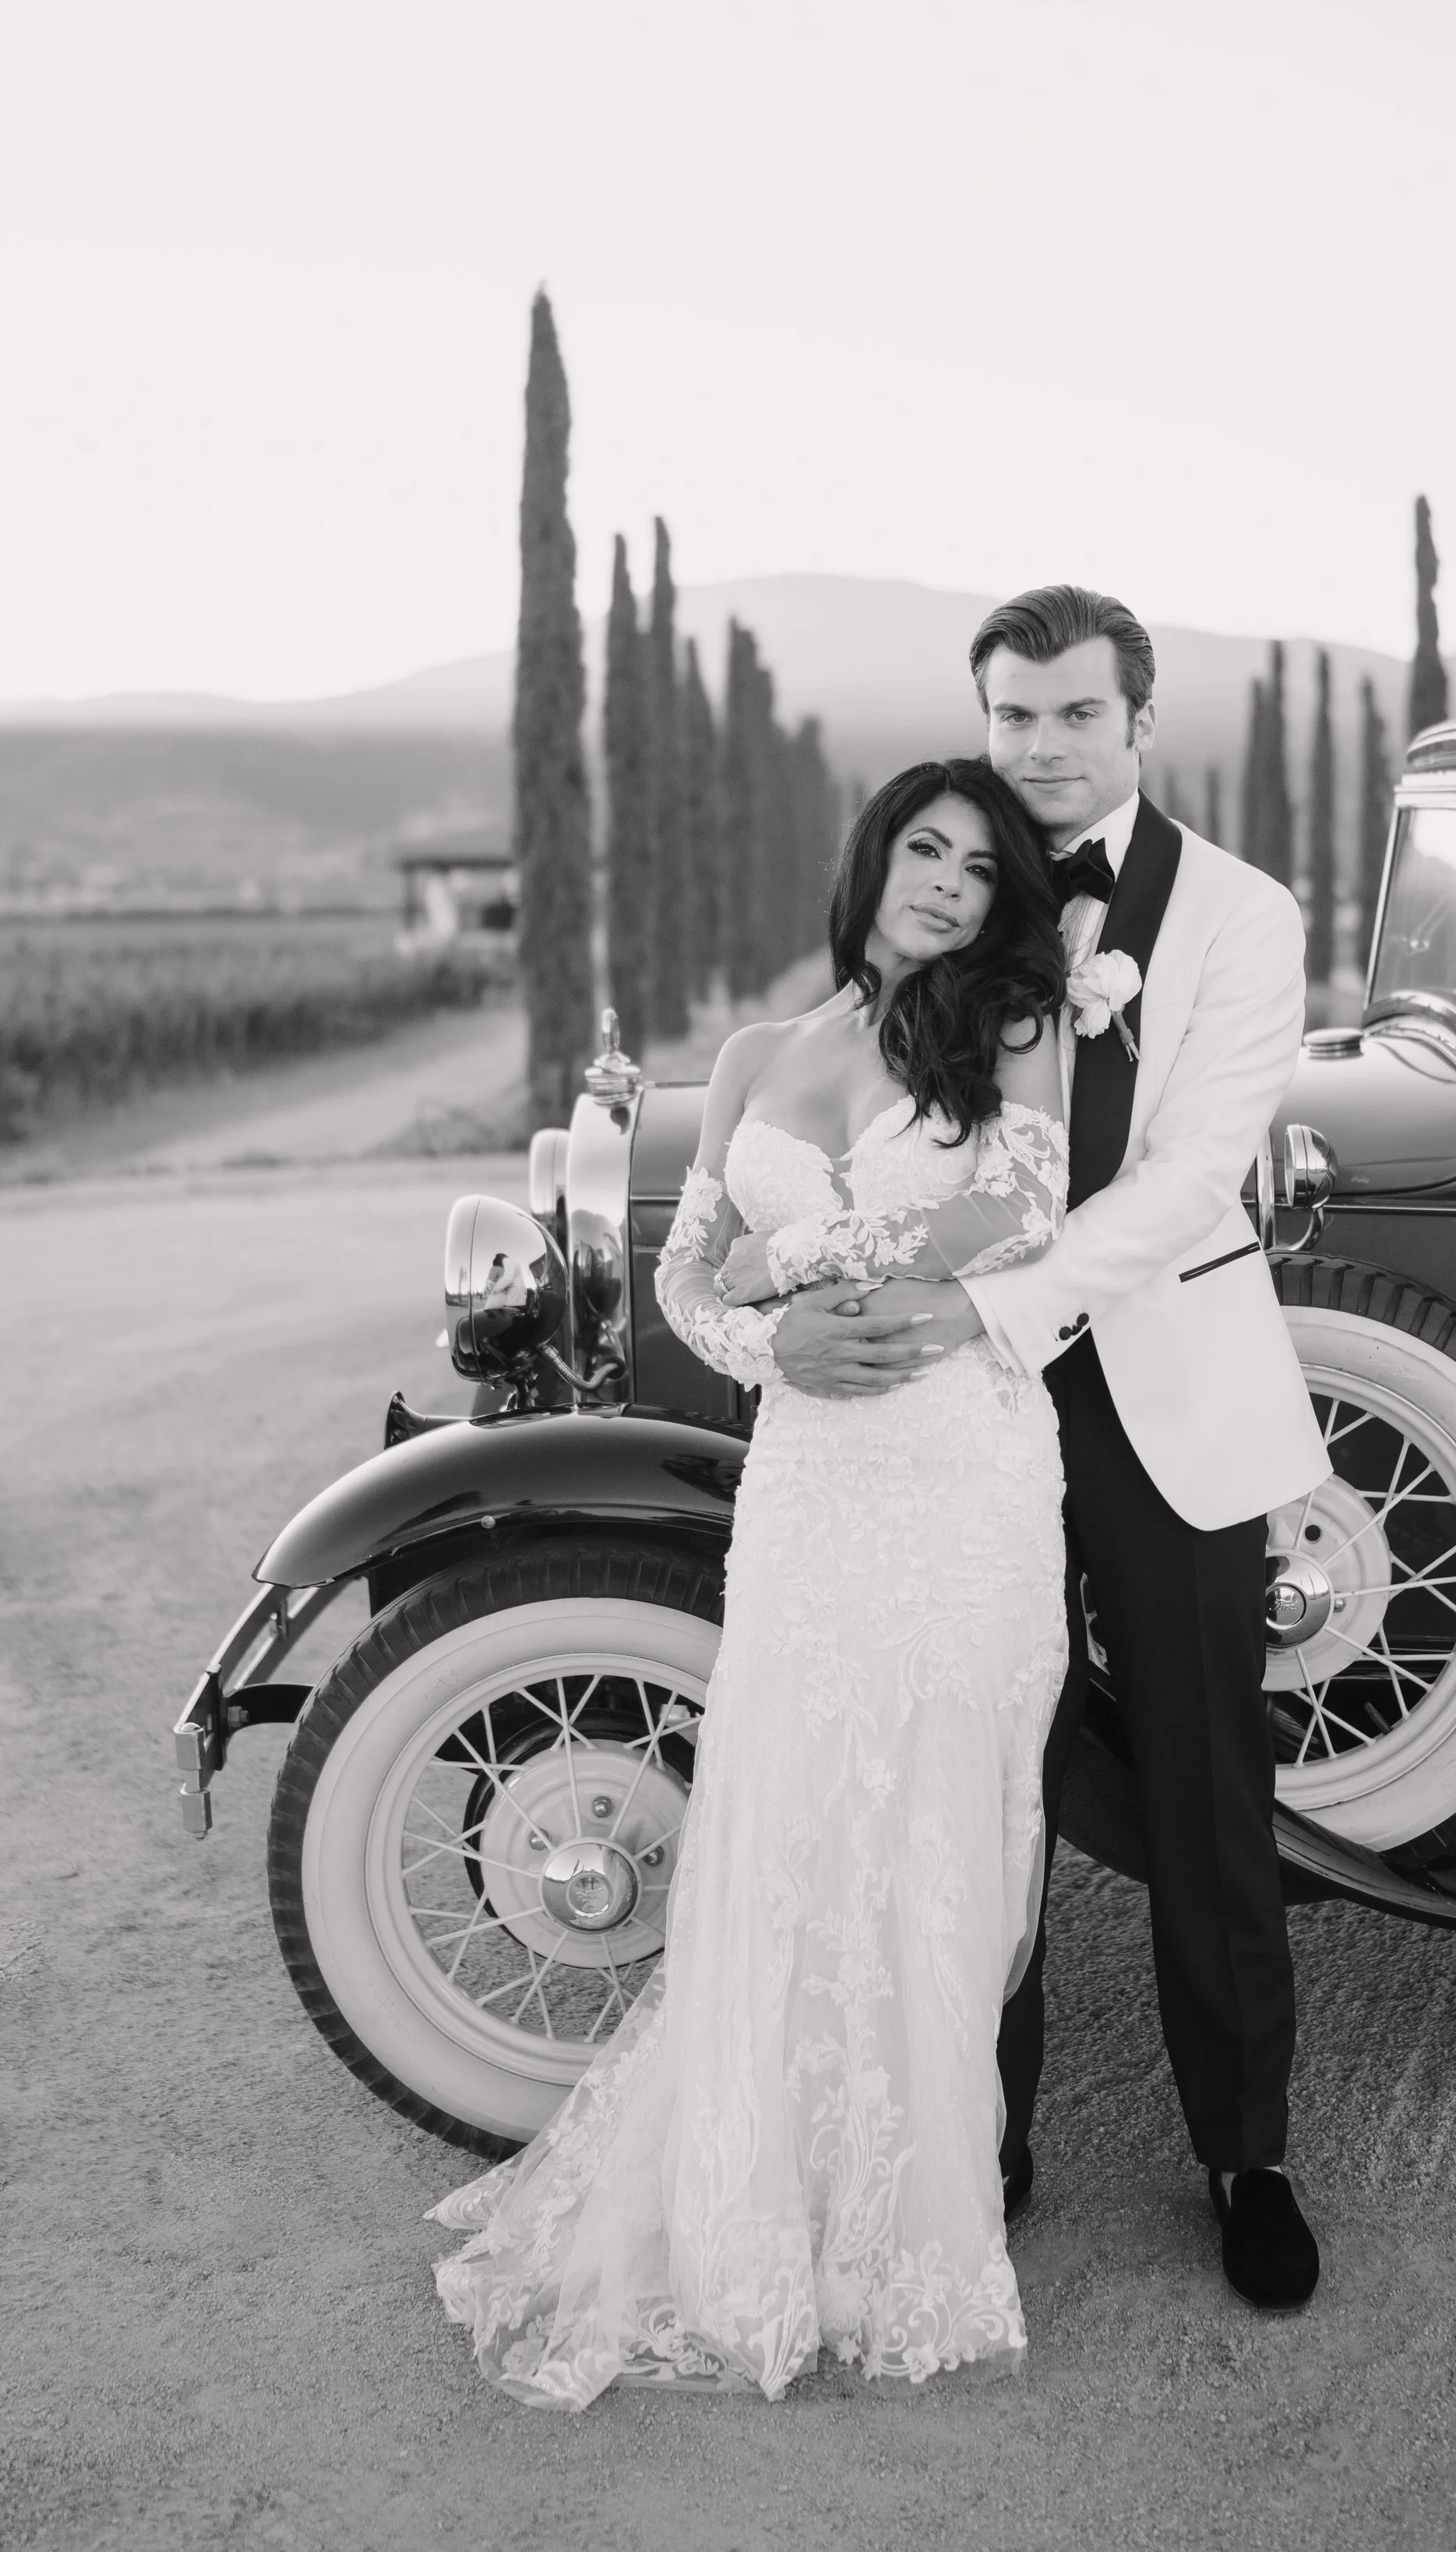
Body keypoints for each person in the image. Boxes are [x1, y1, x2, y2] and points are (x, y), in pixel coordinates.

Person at [432, 758, 1071, 2405]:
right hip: (810, 1484)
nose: (944, 882)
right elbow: (681, 1272)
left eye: (978, 869)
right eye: (921, 850)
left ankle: (911, 2225)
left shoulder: (1015, 1033)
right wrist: (768, 1331)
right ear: (871, 864)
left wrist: (832, 1261)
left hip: (960, 1479)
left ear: (1002, 906)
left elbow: (1022, 1206)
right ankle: (763, 2215)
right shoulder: (754, 1058)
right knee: (790, 1815)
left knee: (936, 1824)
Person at [849, 584, 1333, 2308]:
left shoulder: (1240, 913)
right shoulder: (949, 889)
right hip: (955, 1418)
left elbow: (1197, 1175)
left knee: (1208, 1778)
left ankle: (1244, 2151)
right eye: (1010, 716)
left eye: (1069, 714)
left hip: (1157, 1398)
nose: (1038, 748)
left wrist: (997, 1309)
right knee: (984, 1775)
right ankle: (986, 2132)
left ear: (1137, 717)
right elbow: (861, 1112)